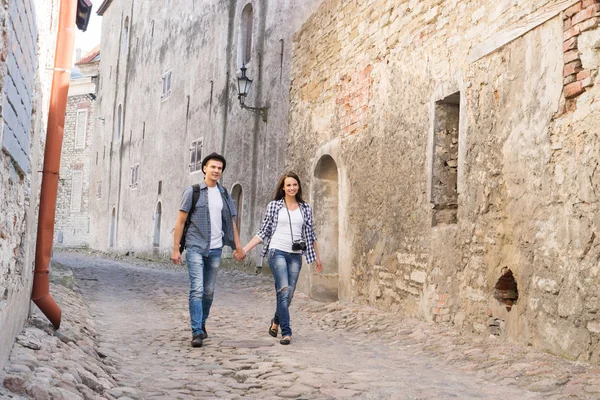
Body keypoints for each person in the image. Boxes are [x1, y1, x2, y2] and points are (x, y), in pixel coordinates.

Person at [172, 152, 245, 348]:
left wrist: (238, 246)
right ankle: (196, 330)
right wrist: (175, 249)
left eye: (219, 168)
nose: (216, 171)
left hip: (215, 248)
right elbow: (180, 221)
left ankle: (202, 322)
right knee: (197, 289)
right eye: (213, 167)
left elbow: (231, 221)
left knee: (209, 291)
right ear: (205, 168)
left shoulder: (224, 194)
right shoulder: (193, 192)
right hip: (195, 246)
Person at [242, 172, 322, 345]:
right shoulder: (274, 206)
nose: (292, 188)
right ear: (283, 188)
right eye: (288, 185)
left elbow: (310, 233)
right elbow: (263, 232)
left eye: (295, 185)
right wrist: (245, 249)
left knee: (289, 293)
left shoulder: (305, 208)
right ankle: (286, 332)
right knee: (283, 290)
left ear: (298, 186)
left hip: (295, 255)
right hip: (276, 251)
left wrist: (317, 257)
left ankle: (276, 321)